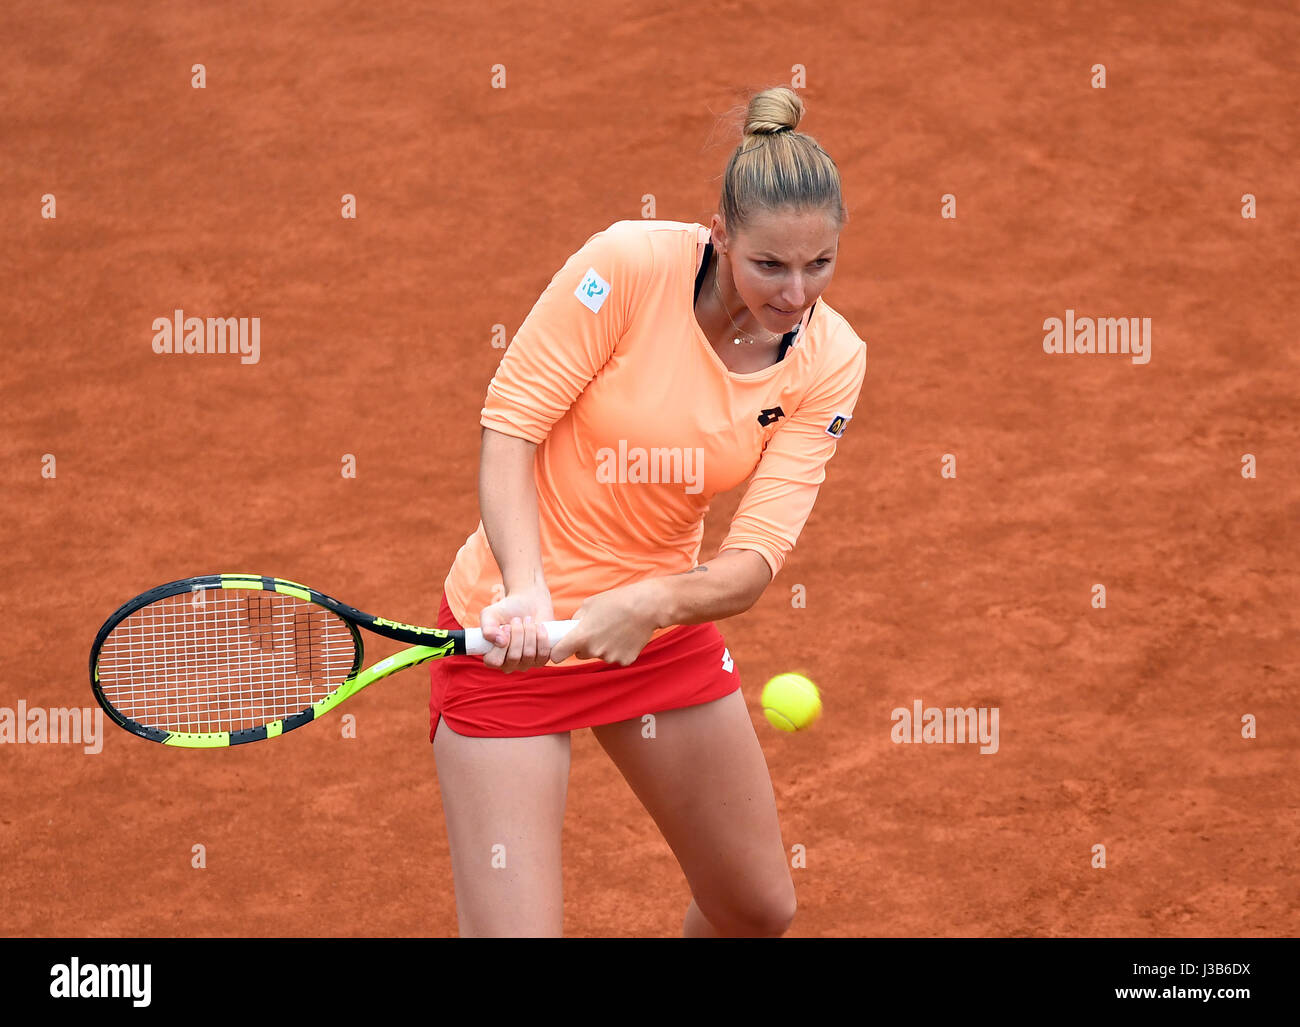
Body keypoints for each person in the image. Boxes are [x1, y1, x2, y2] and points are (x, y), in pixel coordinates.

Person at [429, 84, 866, 937]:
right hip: (514, 638)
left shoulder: (831, 358)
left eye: (820, 264)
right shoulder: (627, 266)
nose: (796, 294)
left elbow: (753, 561)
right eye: (770, 265)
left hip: (655, 635)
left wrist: (651, 605)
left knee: (755, 908)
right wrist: (525, 591)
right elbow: (512, 427)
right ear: (720, 235)